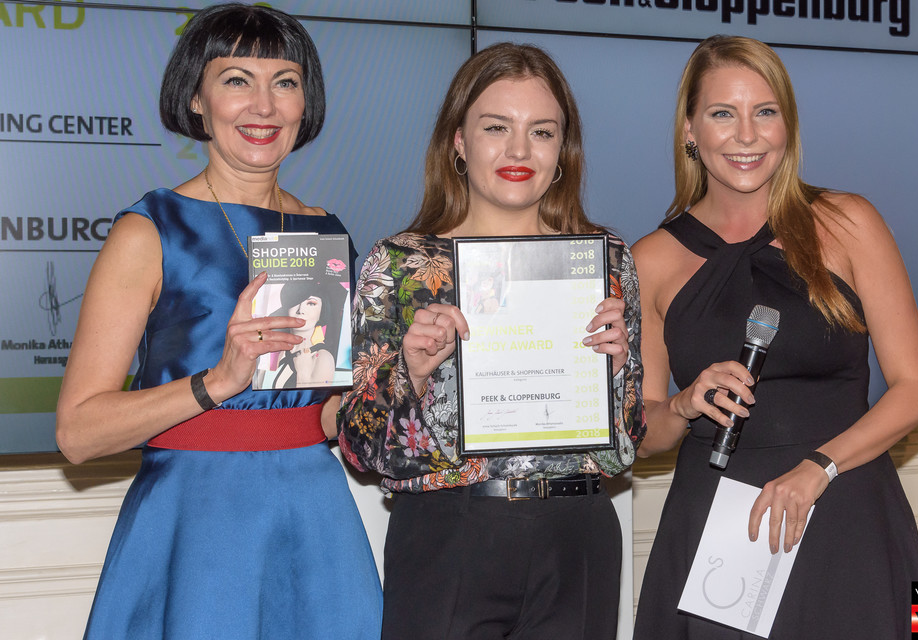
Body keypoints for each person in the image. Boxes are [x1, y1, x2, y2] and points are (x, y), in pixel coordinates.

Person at [54, 4, 382, 638]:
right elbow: (78, 432)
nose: (264, 106)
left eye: (285, 82)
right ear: (196, 99)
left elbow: (327, 413)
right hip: (196, 519)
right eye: (236, 80)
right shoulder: (149, 231)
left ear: (305, 103)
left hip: (315, 517)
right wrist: (217, 382)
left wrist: (401, 379)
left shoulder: (327, 232)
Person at [631, 35, 918, 639]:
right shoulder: (651, 260)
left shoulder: (848, 222)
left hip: (844, 511)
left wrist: (819, 468)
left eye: (765, 112)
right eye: (723, 113)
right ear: (690, 130)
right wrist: (683, 404)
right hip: (718, 536)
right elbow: (645, 436)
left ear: (788, 126)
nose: (746, 135)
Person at [338, 43, 645, 640]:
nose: (519, 150)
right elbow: (361, 447)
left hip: (578, 535)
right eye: (496, 127)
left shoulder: (605, 261)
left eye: (542, 131)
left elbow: (625, 449)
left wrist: (612, 376)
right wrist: (411, 374)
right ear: (459, 141)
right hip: (449, 535)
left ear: (563, 150)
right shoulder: (398, 265)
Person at [263, 281, 340, 388]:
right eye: (295, 302)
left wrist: (303, 373)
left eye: (311, 303)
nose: (301, 311)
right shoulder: (282, 353)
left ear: (322, 311)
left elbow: (313, 397)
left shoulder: (323, 357)